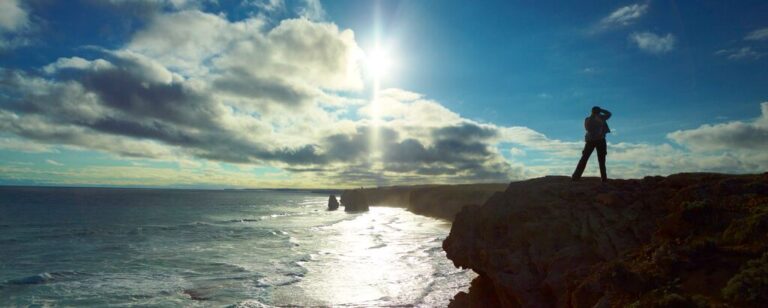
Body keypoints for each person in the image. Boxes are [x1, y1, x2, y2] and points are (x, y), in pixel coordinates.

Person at [572, 106, 611, 182]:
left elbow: (587, 128)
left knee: (585, 159)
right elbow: (609, 113)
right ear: (598, 112)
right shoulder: (600, 118)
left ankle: (576, 177)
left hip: (591, 141)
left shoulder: (588, 119)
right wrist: (601, 110)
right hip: (598, 140)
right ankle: (604, 179)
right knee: (601, 160)